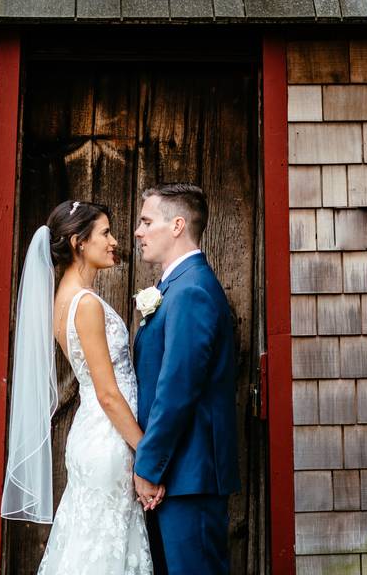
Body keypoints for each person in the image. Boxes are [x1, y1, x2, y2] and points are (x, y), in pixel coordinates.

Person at [1, 200, 155, 575]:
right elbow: (107, 392)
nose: (114, 241)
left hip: (95, 435)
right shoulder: (84, 304)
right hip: (108, 440)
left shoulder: (64, 301)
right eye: (104, 233)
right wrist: (148, 453)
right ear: (78, 243)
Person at [132, 184, 241, 575]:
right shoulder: (174, 287)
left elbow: (177, 390)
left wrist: (148, 466)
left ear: (177, 225)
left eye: (146, 221)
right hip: (177, 475)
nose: (138, 232)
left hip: (189, 476)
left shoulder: (191, 289)